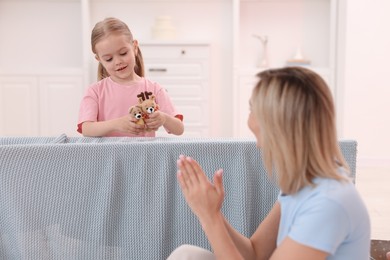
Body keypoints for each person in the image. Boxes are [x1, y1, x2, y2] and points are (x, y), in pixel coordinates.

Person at [168, 67, 371, 260]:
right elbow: (255, 253)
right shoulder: (302, 183)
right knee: (187, 255)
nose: (249, 120)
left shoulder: (328, 203)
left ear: (277, 124)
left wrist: (209, 218)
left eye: (252, 109)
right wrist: (214, 213)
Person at [77, 17, 184, 137]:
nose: (118, 61)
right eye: (109, 59)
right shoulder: (95, 91)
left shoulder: (154, 89)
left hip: (143, 155)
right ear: (99, 60)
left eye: (123, 53)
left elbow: (179, 129)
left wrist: (164, 118)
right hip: (109, 155)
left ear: (135, 47)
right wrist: (116, 124)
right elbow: (86, 129)